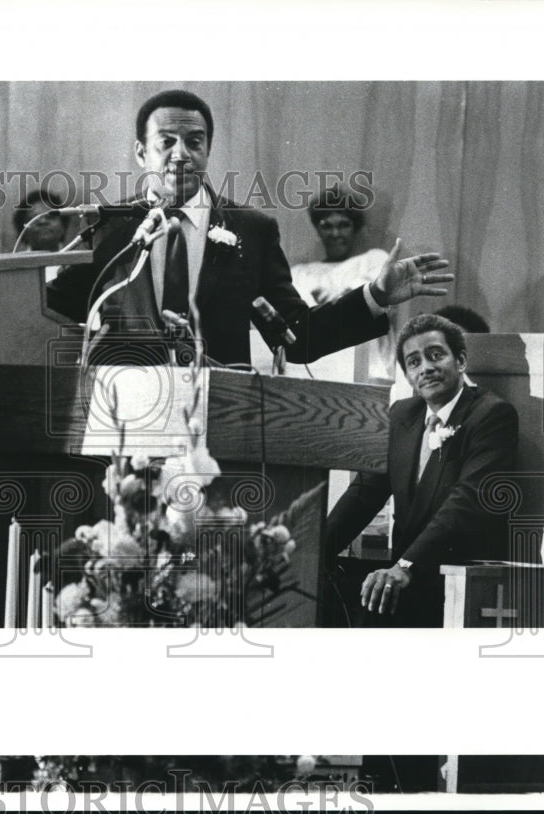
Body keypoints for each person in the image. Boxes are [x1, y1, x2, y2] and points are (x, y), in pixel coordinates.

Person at [40, 89, 454, 367]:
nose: (180, 154)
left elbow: (298, 338)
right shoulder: (111, 228)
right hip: (127, 428)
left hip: (221, 430)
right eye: (166, 141)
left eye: (194, 141)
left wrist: (376, 295)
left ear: (208, 149)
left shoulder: (252, 231)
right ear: (140, 152)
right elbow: (45, 310)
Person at [324, 314, 519, 627]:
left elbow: (464, 504)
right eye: (414, 362)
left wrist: (405, 565)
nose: (425, 368)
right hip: (403, 572)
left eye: (436, 355)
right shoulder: (403, 413)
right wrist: (313, 550)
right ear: (408, 375)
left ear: (461, 361)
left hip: (457, 575)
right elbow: (365, 492)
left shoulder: (492, 415)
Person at [290, 188, 397, 379]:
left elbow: (364, 300)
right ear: (317, 228)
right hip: (310, 371)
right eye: (326, 225)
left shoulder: (374, 260)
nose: (335, 233)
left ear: (355, 227)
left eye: (343, 225)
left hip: (363, 370)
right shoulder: (299, 273)